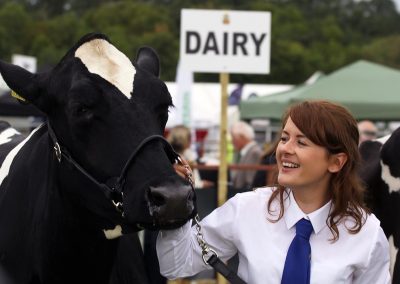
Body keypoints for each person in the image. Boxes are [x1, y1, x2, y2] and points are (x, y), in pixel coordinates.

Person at [156, 100, 391, 283]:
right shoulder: (246, 209)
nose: (284, 149)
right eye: (284, 138)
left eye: (301, 142)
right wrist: (174, 203)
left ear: (336, 162)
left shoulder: (367, 234)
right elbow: (175, 266)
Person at [167, 125, 214, 189]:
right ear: (186, 140)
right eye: (190, 138)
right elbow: (194, 182)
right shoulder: (189, 157)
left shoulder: (165, 155)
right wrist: (202, 184)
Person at [230, 121, 263, 191]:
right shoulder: (249, 151)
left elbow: (250, 182)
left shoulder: (254, 152)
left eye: (233, 137)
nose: (232, 141)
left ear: (242, 137)